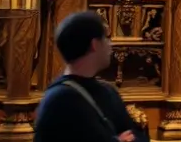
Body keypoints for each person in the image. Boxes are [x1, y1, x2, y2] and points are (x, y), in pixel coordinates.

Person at [33, 11, 147, 142]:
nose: (110, 44)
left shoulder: (108, 91)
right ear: (95, 44)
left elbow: (138, 137)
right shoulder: (58, 100)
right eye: (105, 38)